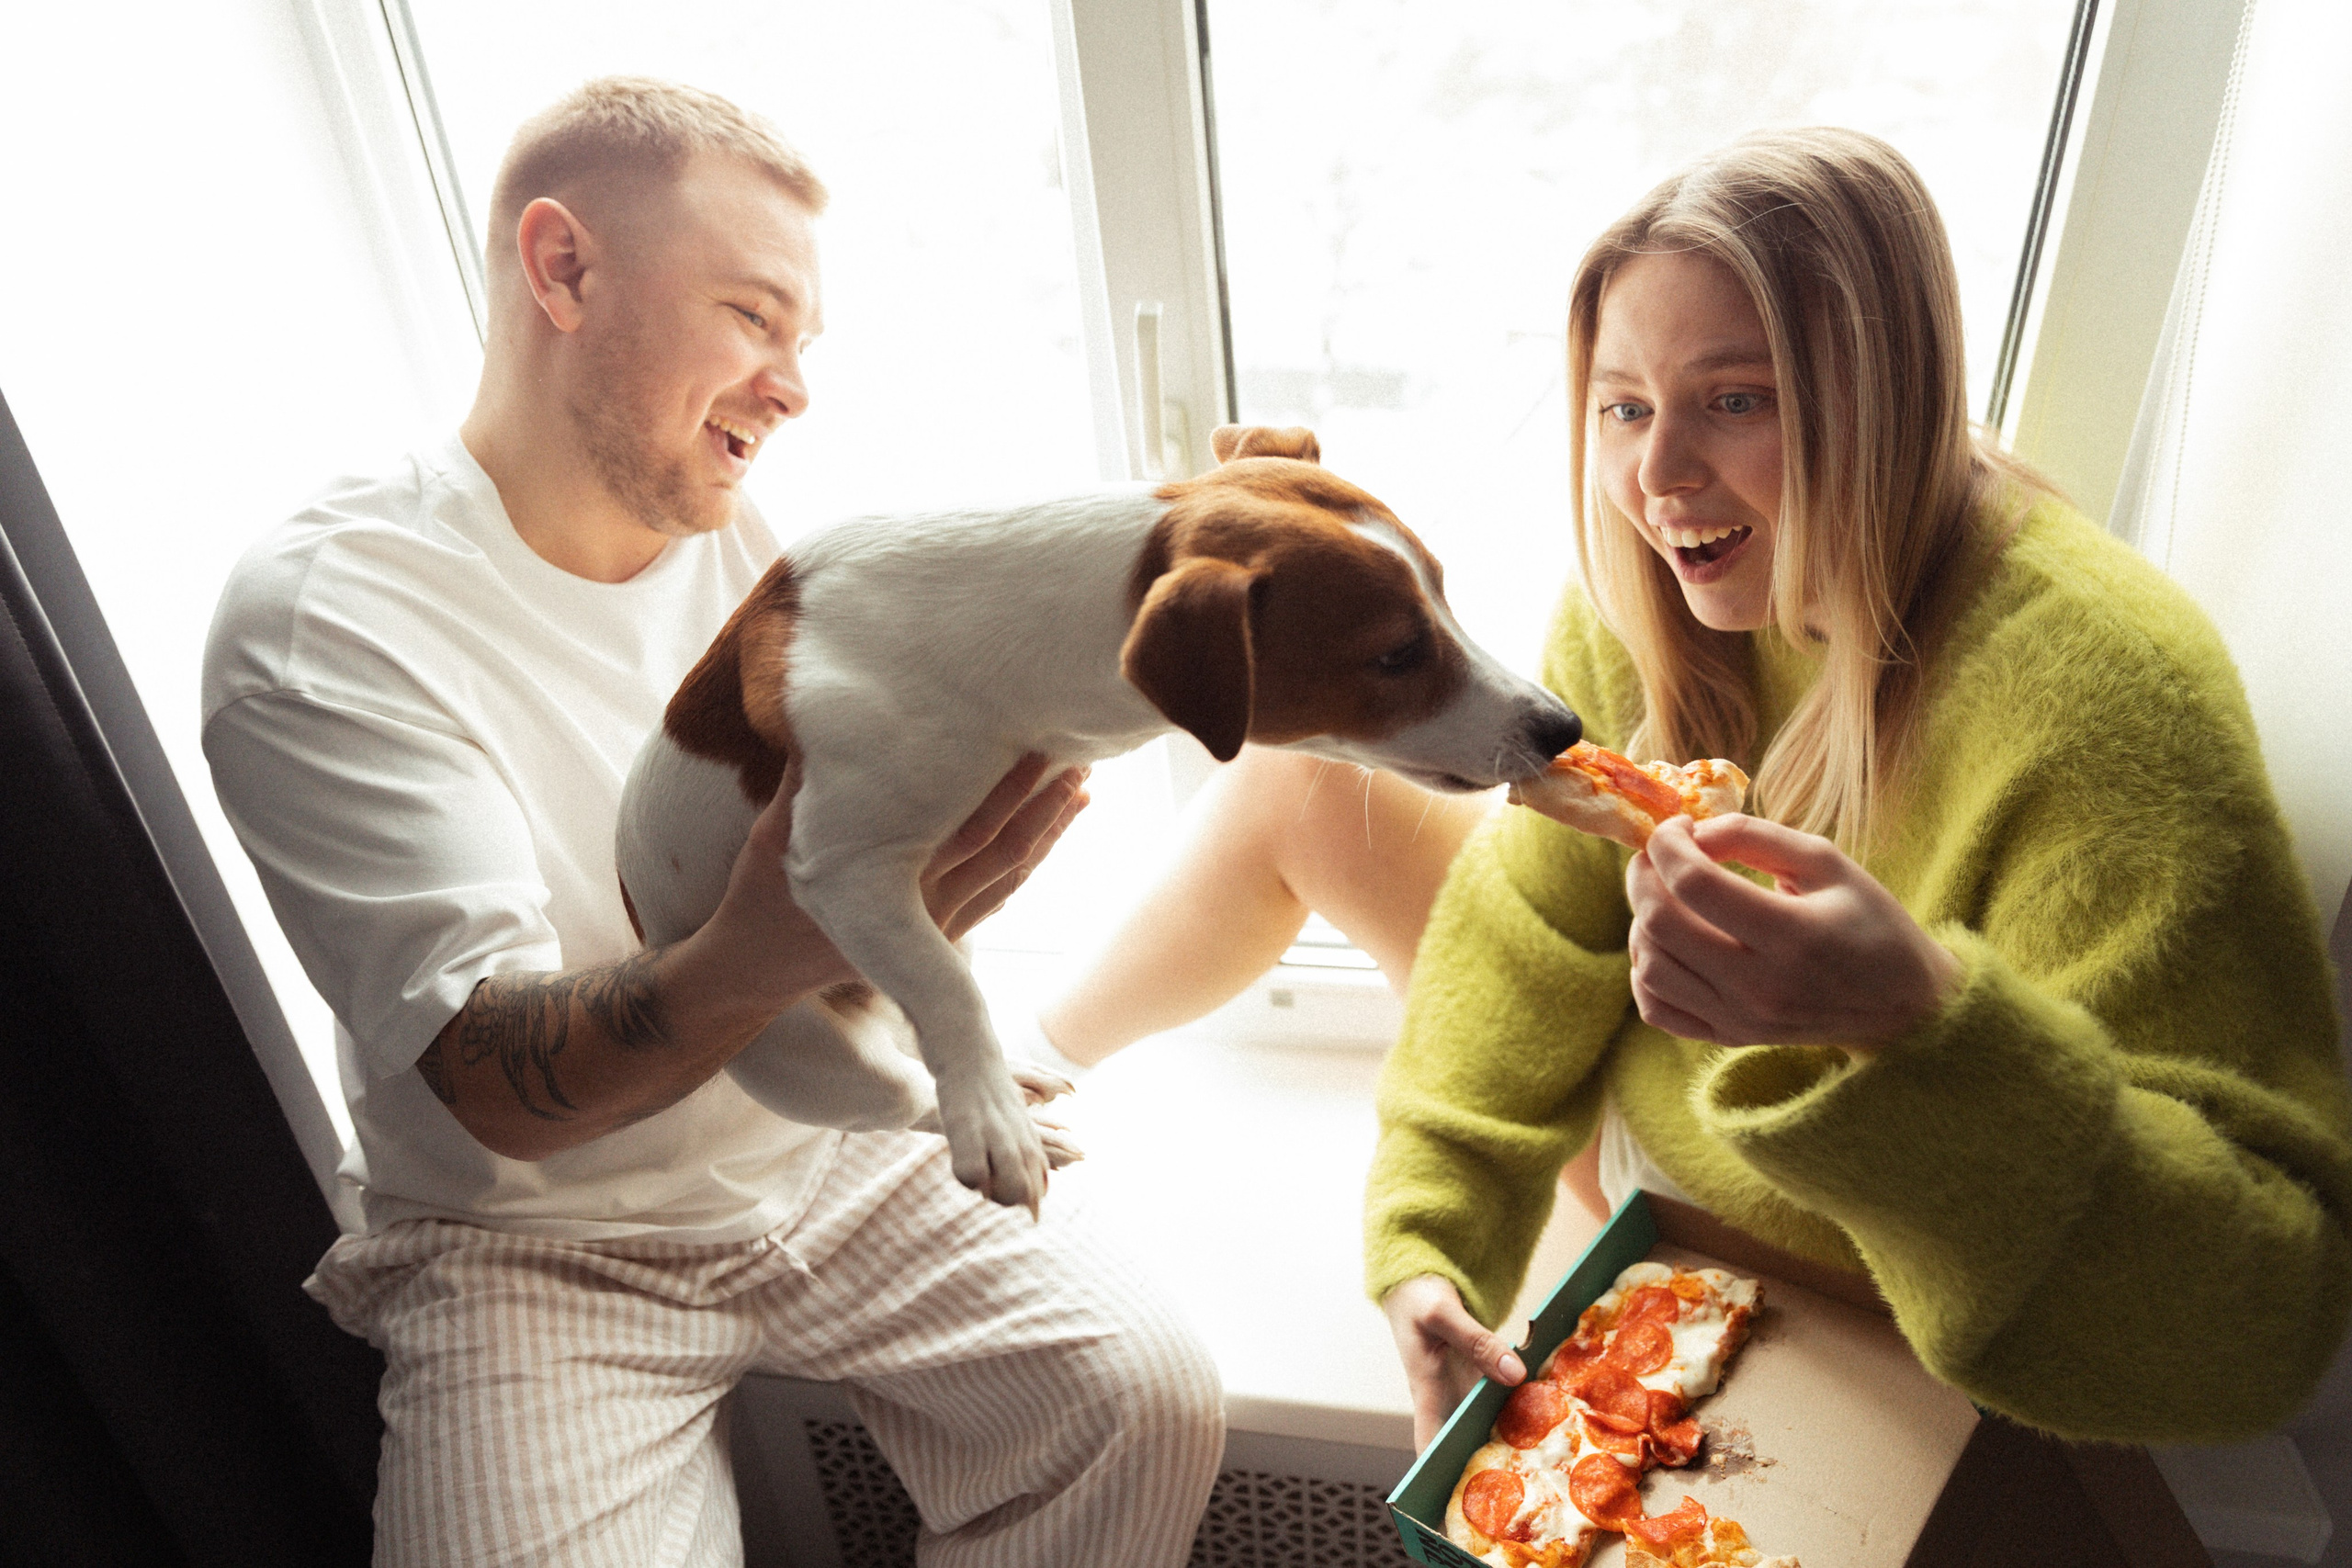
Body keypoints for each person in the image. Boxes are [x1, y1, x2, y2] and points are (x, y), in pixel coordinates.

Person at [1038, 127, 2352, 1450]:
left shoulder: (2107, 698)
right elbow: (1532, 928)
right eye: (1624, 406)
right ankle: (1015, 1086)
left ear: (1886, 393)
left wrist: (1925, 1027)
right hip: (1646, 1157)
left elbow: (2256, 1338)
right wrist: (1429, 1239)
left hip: (1857, 1267)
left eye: (1736, 398)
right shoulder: (1642, 592)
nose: (1659, 481)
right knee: (1307, 775)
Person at [202, 77, 1221, 1568]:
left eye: (803, 342)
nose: (793, 386)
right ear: (562, 269)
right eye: (755, 316)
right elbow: (489, 1084)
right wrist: (777, 944)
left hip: (826, 1147)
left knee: (1140, 1399)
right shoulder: (328, 620)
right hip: (536, 1243)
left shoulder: (774, 561)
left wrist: (907, 916)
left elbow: (844, 914)